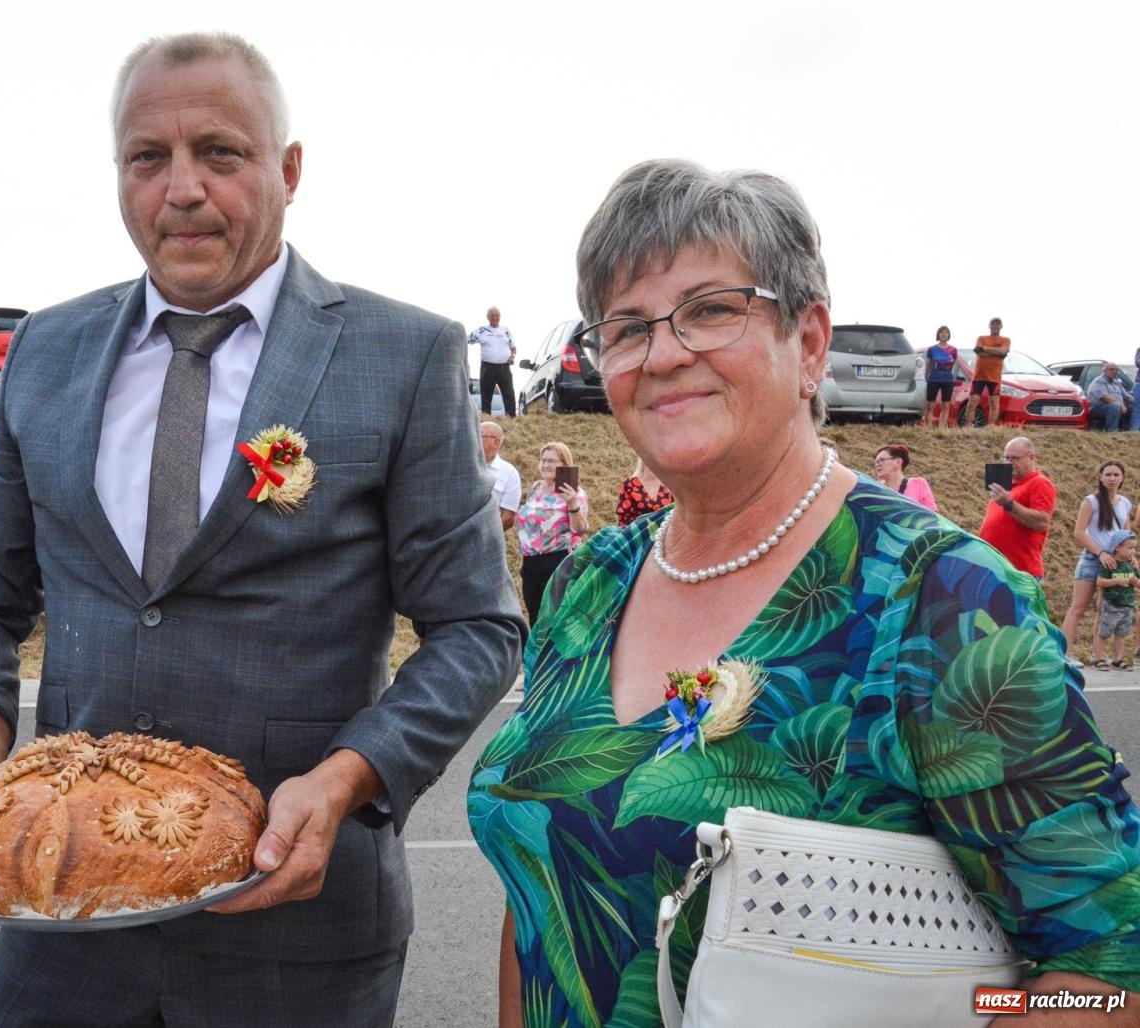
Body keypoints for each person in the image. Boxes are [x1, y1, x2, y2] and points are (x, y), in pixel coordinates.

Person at [0, 33, 524, 1027]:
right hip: (63, 928)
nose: (181, 189)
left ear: (287, 170)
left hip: (300, 931)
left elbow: (477, 627)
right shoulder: (45, 351)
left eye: (219, 153)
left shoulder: (401, 355)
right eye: (148, 157)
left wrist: (343, 779)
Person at [467, 159, 1138, 1026]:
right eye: (627, 327)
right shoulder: (591, 583)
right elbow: (544, 895)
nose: (664, 352)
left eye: (711, 310)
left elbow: (1108, 968)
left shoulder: (945, 602)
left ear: (810, 343)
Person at [1060, 460, 1131, 667]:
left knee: (1103, 608)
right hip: (1093, 559)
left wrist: (1130, 554)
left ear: (1122, 478)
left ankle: (1097, 654)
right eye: (1107, 474)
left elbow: (1125, 534)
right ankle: (1065, 652)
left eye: (1116, 475)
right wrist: (1100, 553)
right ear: (1100, 477)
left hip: (1115, 561)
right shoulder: (1091, 501)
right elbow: (1079, 533)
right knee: (1078, 608)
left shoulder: (1124, 503)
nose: (1111, 478)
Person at [514, 441, 588, 622]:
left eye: (553, 461)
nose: (546, 465)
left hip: (558, 561)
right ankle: (536, 651)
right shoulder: (535, 488)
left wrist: (572, 504)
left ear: (564, 465)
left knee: (554, 620)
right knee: (535, 617)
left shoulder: (574, 492)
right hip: (531, 563)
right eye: (544, 460)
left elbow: (581, 529)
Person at [979, 435, 1057, 579]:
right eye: (1006, 458)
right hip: (994, 566)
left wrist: (1008, 503)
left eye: (1015, 458)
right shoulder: (1006, 484)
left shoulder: (1039, 483)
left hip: (1019, 570)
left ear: (1031, 457)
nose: (1009, 463)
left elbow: (1042, 522)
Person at [1094, 531, 1138, 670]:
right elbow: (1100, 582)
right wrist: (1116, 581)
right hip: (1111, 605)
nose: (1133, 552)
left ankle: (1118, 659)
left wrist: (1136, 582)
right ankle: (1099, 659)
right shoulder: (1110, 564)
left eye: (1135, 548)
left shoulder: (1132, 565)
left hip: (1128, 606)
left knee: (1121, 635)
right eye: (1130, 548)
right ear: (1118, 547)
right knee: (1104, 633)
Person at [961, 316, 1010, 427]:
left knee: (994, 402)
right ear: (989, 326)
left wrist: (985, 348)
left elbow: (1003, 351)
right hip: (979, 376)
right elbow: (979, 352)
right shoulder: (981, 338)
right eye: (993, 324)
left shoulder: (1005, 340)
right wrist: (997, 353)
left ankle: (991, 428)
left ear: (1001, 326)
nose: (995, 326)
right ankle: (967, 427)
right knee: (973, 402)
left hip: (995, 376)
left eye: (997, 324)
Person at [469, 306, 518, 416]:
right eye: (492, 315)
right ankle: (487, 419)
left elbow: (513, 348)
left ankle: (512, 418)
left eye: (497, 315)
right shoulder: (481, 330)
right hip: (487, 368)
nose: (495, 317)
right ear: (488, 317)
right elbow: (466, 339)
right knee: (486, 395)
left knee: (509, 393)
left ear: (500, 317)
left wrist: (512, 356)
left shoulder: (506, 331)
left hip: (504, 368)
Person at [870, 443, 938, 511]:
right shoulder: (875, 488)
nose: (877, 464)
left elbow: (933, 516)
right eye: (876, 462)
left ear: (898, 462)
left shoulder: (918, 484)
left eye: (881, 460)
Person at [481, 420, 521, 531]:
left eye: (481, 435)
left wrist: (487, 535)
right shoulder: (463, 466)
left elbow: (508, 518)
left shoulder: (509, 473)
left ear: (496, 442)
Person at [615, 455, 672, 525]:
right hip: (638, 532)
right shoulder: (629, 485)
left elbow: (676, 513)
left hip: (664, 532)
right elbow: (624, 519)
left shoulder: (669, 483)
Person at [922, 325, 957, 427]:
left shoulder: (953, 350)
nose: (944, 334)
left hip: (947, 380)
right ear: (938, 334)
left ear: (949, 335)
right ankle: (928, 427)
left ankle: (941, 428)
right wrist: (925, 377)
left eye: (946, 332)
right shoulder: (932, 349)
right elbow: (928, 365)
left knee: (946, 405)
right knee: (930, 405)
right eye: (942, 332)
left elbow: (952, 364)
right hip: (933, 378)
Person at [1085, 362, 1131, 432]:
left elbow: (1126, 395)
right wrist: (1121, 404)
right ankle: (1112, 432)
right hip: (1097, 408)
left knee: (1132, 406)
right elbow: (1105, 397)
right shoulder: (1099, 382)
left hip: (1114, 406)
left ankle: (1126, 431)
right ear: (1105, 371)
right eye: (1112, 369)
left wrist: (1136, 401)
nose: (1115, 371)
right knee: (1115, 407)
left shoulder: (1116, 383)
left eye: (1116, 370)